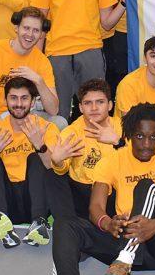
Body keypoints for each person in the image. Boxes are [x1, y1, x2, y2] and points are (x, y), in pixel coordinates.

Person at [26, 103, 155, 275]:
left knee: (146, 186)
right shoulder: (113, 159)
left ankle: (125, 259)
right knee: (65, 224)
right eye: (140, 136)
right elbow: (96, 206)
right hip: (123, 247)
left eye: (153, 137)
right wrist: (107, 224)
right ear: (129, 135)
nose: (146, 144)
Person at [0, 76, 68, 249]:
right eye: (13, 98)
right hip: (5, 200)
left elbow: (56, 170)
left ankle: (39, 223)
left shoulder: (46, 128)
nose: (19, 104)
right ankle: (2, 223)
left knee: (37, 157)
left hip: (37, 200)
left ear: (32, 101)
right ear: (6, 100)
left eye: (24, 98)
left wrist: (40, 145)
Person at [0, 7, 60, 125]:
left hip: (25, 116)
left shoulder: (42, 61)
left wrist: (39, 81)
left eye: (36, 30)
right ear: (16, 28)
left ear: (41, 35)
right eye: (26, 28)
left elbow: (53, 110)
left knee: (59, 122)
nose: (30, 34)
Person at [48, 78, 122, 217]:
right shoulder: (71, 132)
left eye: (100, 102)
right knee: (51, 174)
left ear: (110, 105)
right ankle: (67, 224)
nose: (94, 108)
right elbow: (62, 168)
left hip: (115, 191)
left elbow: (137, 162)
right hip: (82, 191)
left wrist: (118, 142)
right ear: (81, 107)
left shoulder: (122, 127)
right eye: (88, 103)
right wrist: (57, 161)